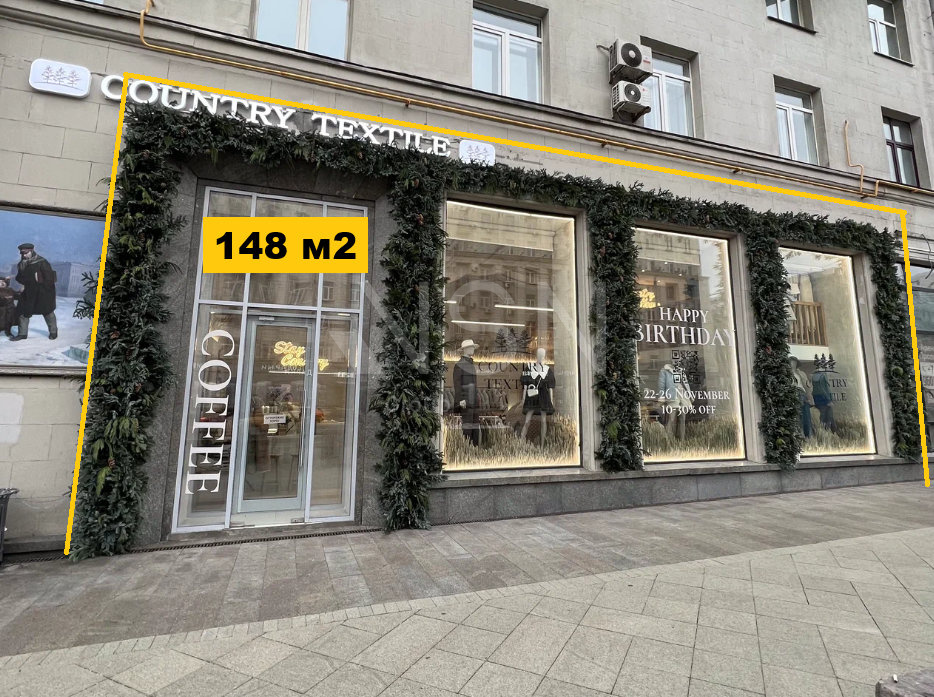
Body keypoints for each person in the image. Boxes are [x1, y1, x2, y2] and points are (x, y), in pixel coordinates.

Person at [12, 243, 57, 341]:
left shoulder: (42, 262)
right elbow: (20, 277)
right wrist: (23, 282)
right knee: (22, 312)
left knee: (48, 312)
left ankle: (53, 332)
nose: (24, 255)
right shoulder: (21, 264)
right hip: (28, 292)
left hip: (43, 292)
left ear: (31, 251)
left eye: (26, 253)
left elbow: (50, 278)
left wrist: (39, 279)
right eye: (22, 253)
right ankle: (22, 334)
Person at [520, 347, 556, 448]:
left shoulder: (547, 370)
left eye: (542, 355)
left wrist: (551, 401)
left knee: (543, 421)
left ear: (544, 356)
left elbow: (550, 387)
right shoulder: (529, 368)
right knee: (527, 421)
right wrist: (523, 398)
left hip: (544, 397)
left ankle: (542, 445)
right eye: (539, 355)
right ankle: (520, 442)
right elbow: (525, 385)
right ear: (537, 355)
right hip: (532, 397)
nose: (541, 357)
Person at [453, 339, 480, 446]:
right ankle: (466, 450)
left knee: (475, 428)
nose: (473, 349)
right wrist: (460, 400)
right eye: (471, 347)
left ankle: (474, 450)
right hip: (466, 401)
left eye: (473, 347)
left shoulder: (471, 364)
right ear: (465, 349)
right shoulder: (459, 365)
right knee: (467, 428)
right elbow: (457, 384)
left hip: (474, 401)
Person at [789, 356, 814, 438]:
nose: (793, 364)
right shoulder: (787, 374)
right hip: (794, 394)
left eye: (795, 362)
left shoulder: (800, 373)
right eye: (792, 362)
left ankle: (809, 435)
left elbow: (807, 386)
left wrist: (809, 396)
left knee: (806, 414)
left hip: (803, 394)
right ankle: (800, 435)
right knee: (797, 415)